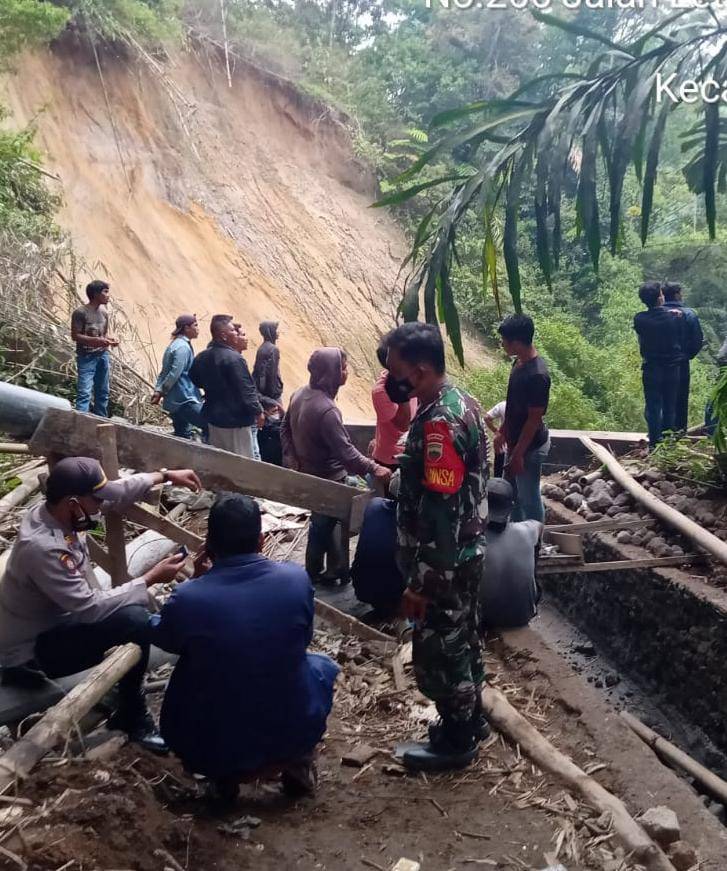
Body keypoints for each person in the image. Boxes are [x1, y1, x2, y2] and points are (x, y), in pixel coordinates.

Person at [0, 457, 201, 752]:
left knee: (130, 613)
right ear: (72, 502)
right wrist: (149, 579)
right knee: (135, 621)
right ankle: (132, 715)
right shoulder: (43, 548)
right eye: (96, 500)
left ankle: (119, 694)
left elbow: (117, 492)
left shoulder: (57, 511)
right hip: (31, 652)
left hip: (57, 620)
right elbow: (90, 608)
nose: (100, 507)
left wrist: (166, 474)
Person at [150, 493, 339, 802]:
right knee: (318, 665)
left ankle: (221, 776)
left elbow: (167, 638)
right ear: (261, 541)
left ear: (208, 545)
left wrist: (197, 581)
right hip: (290, 726)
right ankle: (295, 759)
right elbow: (302, 640)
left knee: (189, 678)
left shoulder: (189, 597)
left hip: (217, 739)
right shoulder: (295, 579)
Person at [386, 323, 488, 772]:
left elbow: (441, 512)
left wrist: (423, 582)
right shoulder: (461, 401)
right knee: (463, 638)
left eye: (396, 372)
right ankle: (471, 720)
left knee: (441, 649)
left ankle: (457, 740)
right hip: (464, 553)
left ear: (421, 371)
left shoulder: (440, 423)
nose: (391, 379)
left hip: (445, 561)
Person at [282, 348, 391, 586]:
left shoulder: (299, 394)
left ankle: (334, 569)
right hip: (328, 478)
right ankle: (311, 573)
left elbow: (285, 428)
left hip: (308, 473)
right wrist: (375, 468)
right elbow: (347, 454)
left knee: (326, 520)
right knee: (321, 526)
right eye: (342, 368)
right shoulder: (327, 410)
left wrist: (292, 459)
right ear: (330, 372)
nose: (346, 372)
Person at [495, 315, 551, 524]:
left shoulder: (537, 376)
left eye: (505, 340)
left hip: (530, 447)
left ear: (517, 342)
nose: (502, 344)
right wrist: (502, 431)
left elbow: (533, 420)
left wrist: (518, 455)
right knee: (511, 495)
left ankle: (535, 539)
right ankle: (516, 533)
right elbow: (514, 405)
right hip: (515, 443)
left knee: (529, 499)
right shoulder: (518, 362)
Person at [190, 315, 265, 458]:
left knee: (219, 459)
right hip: (235, 422)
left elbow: (194, 378)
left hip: (214, 419)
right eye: (233, 331)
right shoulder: (234, 359)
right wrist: (258, 411)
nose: (236, 333)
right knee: (241, 462)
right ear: (223, 336)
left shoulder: (202, 356)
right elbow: (246, 389)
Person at [480, 478, 542, 631]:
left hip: (485, 618)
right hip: (523, 616)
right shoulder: (527, 530)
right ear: (511, 507)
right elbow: (540, 526)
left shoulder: (474, 540)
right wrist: (534, 554)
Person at [633, 282, 683, 450]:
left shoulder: (639, 319)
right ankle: (668, 443)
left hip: (651, 367)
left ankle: (655, 442)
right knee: (670, 406)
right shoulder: (675, 318)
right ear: (660, 297)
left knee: (653, 406)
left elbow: (651, 321)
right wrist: (672, 313)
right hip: (672, 367)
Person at [351, 488, 405, 618]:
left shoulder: (374, 504)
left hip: (362, 586)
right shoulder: (411, 520)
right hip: (395, 591)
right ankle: (396, 609)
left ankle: (384, 607)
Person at [152, 314, 206, 440]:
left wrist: (158, 390)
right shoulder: (183, 347)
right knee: (207, 424)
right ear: (186, 328)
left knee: (182, 434)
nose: (198, 329)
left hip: (175, 399)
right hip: (184, 398)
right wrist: (162, 391)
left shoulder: (175, 345)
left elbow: (164, 372)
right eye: (195, 325)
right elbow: (174, 374)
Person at [71, 279, 118, 418]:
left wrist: (110, 340)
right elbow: (75, 336)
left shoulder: (104, 312)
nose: (108, 295)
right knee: (84, 392)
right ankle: (81, 421)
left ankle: (100, 420)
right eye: (105, 292)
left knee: (103, 391)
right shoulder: (80, 313)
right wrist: (95, 341)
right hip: (86, 357)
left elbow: (103, 335)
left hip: (102, 356)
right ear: (96, 294)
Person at [662, 282, 704, 432]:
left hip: (657, 363)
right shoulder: (689, 314)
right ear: (677, 294)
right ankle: (679, 434)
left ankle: (660, 434)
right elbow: (697, 340)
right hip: (681, 363)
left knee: (660, 399)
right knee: (680, 399)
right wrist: (687, 356)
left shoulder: (655, 314)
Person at [371, 332, 416, 470]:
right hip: (391, 461)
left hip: (412, 452)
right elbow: (403, 425)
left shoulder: (412, 378)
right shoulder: (381, 391)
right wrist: (403, 395)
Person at [252, 321, 285, 464]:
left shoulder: (262, 348)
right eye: (276, 330)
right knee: (276, 428)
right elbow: (271, 375)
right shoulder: (272, 349)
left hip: (265, 395)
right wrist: (272, 399)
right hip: (272, 397)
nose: (278, 333)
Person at [484, 400, 506, 477]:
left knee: (499, 474)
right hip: (520, 447)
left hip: (501, 446)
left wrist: (496, 432)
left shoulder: (502, 405)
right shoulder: (526, 407)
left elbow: (486, 418)